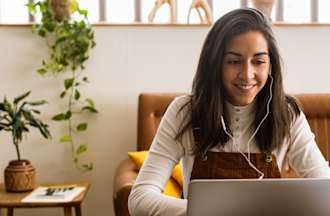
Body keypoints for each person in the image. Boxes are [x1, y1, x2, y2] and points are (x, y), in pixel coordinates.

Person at [128, 8, 330, 216]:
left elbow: (326, 193)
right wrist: (204, 212)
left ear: (271, 65)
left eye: (258, 61)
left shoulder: (287, 114)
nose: (247, 74)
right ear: (215, 64)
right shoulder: (184, 112)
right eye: (234, 61)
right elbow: (140, 199)